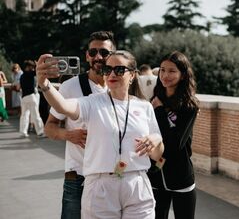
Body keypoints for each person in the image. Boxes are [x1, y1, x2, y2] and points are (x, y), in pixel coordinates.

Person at [37, 50, 164, 219]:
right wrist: (44, 84)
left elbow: (158, 154)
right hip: (101, 186)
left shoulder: (144, 107)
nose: (111, 74)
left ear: (132, 75)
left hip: (137, 184)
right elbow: (62, 106)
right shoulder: (92, 102)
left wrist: (156, 139)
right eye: (107, 69)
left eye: (119, 70)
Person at [45, 31, 116, 219]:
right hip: (78, 176)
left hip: (111, 176)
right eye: (93, 52)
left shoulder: (117, 87)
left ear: (113, 55)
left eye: (104, 52)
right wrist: (68, 135)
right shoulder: (70, 86)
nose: (98, 57)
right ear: (86, 56)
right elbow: (49, 127)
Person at [148, 51, 200, 219]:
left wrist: (161, 111)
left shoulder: (189, 106)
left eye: (172, 71)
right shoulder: (153, 100)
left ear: (183, 75)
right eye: (162, 70)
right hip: (156, 175)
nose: (165, 75)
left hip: (180, 177)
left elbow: (175, 143)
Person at [19, 60, 45, 138]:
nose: (33, 68)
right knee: (36, 114)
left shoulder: (22, 76)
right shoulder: (30, 74)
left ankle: (23, 132)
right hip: (31, 97)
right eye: (32, 67)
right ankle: (40, 132)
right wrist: (37, 65)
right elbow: (38, 71)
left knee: (24, 115)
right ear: (28, 67)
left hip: (24, 97)